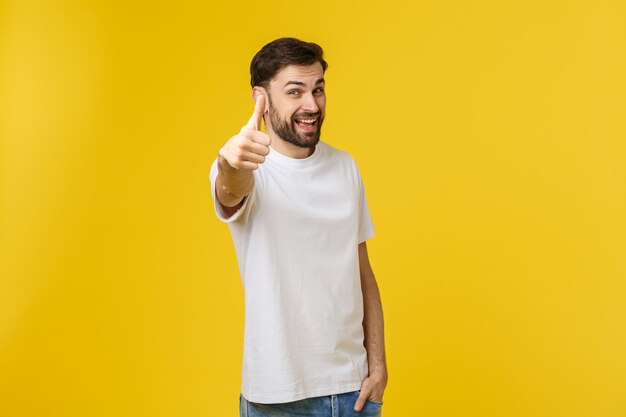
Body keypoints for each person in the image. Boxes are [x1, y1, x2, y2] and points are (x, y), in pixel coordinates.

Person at [209, 37, 387, 417]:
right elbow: (231, 190)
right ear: (262, 97)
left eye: (318, 89)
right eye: (295, 92)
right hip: (277, 397)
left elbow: (361, 270)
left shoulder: (345, 166)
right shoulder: (247, 168)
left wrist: (378, 365)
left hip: (353, 391)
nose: (312, 105)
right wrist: (231, 163)